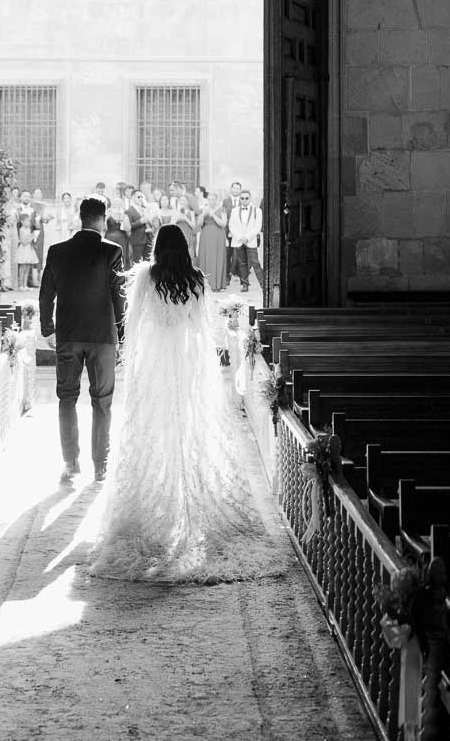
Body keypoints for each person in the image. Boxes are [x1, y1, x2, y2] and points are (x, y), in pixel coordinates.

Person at [87, 225, 283, 584]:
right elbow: (202, 329)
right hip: (189, 364)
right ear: (185, 248)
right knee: (189, 432)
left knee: (155, 436)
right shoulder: (195, 279)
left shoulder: (147, 276)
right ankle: (188, 511)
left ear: (158, 247)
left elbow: (134, 328)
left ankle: (156, 515)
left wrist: (135, 371)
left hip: (156, 365)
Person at [39, 194, 126, 484]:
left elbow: (46, 293)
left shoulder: (57, 250)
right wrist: (123, 335)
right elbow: (118, 296)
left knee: (66, 398)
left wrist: (47, 328)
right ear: (102, 218)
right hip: (102, 337)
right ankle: (100, 466)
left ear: (81, 217)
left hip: (68, 334)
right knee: (102, 402)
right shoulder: (112, 251)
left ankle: (71, 461)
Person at [228, 190, 262, 293]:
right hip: (238, 241)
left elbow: (257, 226)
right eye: (242, 198)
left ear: (250, 198)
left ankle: (263, 284)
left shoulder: (257, 211)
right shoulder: (234, 211)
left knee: (255, 263)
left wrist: (247, 237)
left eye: (246, 198)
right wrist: (240, 237)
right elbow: (231, 225)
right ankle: (244, 284)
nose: (244, 200)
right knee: (242, 264)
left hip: (250, 241)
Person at [196, 187, 229, 291]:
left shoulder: (222, 209)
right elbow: (199, 224)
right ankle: (206, 284)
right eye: (209, 199)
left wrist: (213, 215)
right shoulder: (203, 209)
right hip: (206, 236)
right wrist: (203, 215)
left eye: (213, 199)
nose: (211, 201)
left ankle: (217, 284)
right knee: (206, 258)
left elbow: (223, 224)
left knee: (217, 258)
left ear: (216, 200)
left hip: (218, 235)